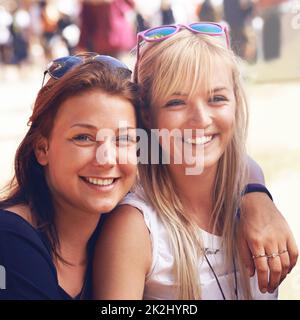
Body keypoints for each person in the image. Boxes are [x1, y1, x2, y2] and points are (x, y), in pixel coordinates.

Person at [93, 23, 298, 299]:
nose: (201, 120)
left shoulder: (253, 205)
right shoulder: (135, 229)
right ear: (148, 115)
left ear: (237, 103)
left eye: (217, 98)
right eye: (176, 102)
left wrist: (257, 194)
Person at [0, 53, 139, 299]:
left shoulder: (121, 237)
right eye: (83, 137)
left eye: (123, 139)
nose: (106, 159)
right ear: (43, 149)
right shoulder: (9, 239)